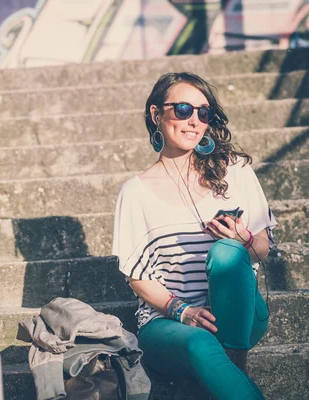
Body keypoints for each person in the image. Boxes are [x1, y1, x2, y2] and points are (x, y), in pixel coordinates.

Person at [112, 72, 277, 400]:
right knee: (201, 342)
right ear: (157, 115)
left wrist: (243, 238)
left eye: (204, 113)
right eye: (184, 109)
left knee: (228, 252)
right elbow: (136, 277)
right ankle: (230, 375)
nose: (194, 121)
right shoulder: (135, 193)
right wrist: (182, 310)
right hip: (168, 324)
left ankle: (229, 364)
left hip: (240, 312)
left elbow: (262, 249)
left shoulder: (235, 170)